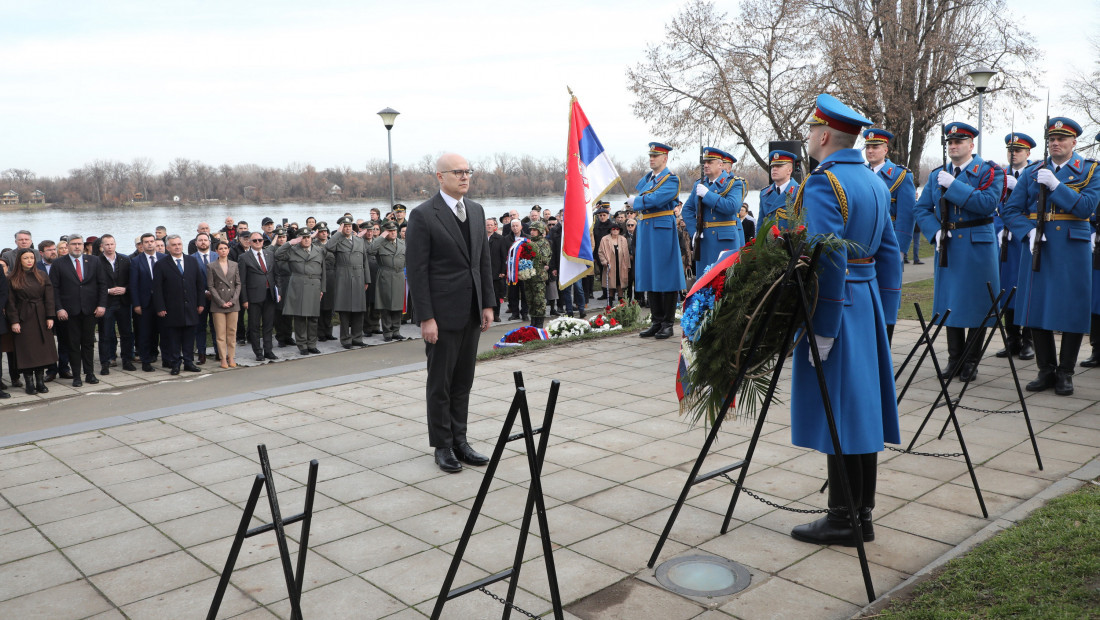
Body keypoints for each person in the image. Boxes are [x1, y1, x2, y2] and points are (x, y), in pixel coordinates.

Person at [788, 93, 903, 546]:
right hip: (868, 302)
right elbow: (890, 253)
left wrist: (823, 328)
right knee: (860, 412)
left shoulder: (823, 182)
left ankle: (842, 518)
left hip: (838, 307)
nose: (809, 138)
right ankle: (862, 514)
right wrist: (886, 316)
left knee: (839, 410)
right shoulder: (875, 182)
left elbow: (828, 260)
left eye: (811, 132)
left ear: (823, 135)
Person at [406, 152, 494, 474]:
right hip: (441, 316)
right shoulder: (423, 215)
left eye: (468, 171)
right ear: (440, 177)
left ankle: (461, 441)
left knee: (463, 382)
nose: (465, 177)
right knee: (440, 383)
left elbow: (482, 262)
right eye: (458, 172)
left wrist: (487, 303)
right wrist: (425, 317)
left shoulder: (475, 210)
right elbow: (416, 271)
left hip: (471, 312)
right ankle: (442, 446)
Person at [1002, 117, 1099, 396]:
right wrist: (1028, 232)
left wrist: (1057, 186)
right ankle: (1045, 370)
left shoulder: (1090, 171)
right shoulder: (1035, 171)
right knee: (1036, 305)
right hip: (1038, 245)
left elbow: (1085, 208)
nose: (1055, 143)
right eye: (1052, 139)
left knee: (1072, 308)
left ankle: (1065, 372)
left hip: (1072, 247)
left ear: (1074, 142)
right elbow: (1011, 210)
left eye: (1062, 139)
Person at [913, 122, 1004, 382]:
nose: (953, 146)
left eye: (959, 142)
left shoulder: (988, 172)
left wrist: (954, 186)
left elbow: (987, 204)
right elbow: (921, 209)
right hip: (949, 244)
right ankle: (954, 359)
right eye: (950, 142)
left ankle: (971, 361)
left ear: (971, 145)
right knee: (950, 303)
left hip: (977, 244)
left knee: (977, 303)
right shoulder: (936, 174)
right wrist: (935, 232)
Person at [863, 127, 917, 341]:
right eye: (867, 147)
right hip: (864, 246)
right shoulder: (861, 173)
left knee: (887, 296)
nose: (870, 151)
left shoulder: (901, 176)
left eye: (875, 147)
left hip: (889, 245)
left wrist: (901, 250)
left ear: (886, 149)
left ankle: (884, 345)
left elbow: (906, 216)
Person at [628, 142, 685, 339]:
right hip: (646, 229)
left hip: (662, 229)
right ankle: (656, 321)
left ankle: (668, 323)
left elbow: (656, 199)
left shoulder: (671, 180)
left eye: (656, 156)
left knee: (667, 276)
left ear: (665, 158)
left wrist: (637, 201)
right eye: (650, 155)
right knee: (649, 274)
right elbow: (647, 195)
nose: (652, 158)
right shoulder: (648, 179)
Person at [994, 132, 1037, 361]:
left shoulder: (1036, 174)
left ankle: (1028, 340)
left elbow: (1036, 206)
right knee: (1007, 290)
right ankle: (1012, 340)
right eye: (1010, 150)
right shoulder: (999, 176)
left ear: (1027, 153)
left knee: (1026, 288)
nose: (1013, 154)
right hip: (1007, 241)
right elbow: (994, 206)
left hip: (1027, 239)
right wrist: (1000, 228)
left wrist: (1019, 185)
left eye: (1018, 151)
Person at [50, 234, 107, 387]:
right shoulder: (58, 264)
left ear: (83, 246)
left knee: (88, 343)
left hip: (90, 310)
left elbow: (102, 284)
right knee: (73, 345)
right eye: (74, 244)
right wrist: (59, 308)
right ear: (67, 246)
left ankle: (90, 373)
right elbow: (54, 289)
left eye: (79, 244)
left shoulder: (94, 261)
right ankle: (76, 376)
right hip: (69, 311)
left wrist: (102, 305)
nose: (77, 247)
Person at [682, 147, 746, 276]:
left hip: (725, 240)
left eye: (710, 162)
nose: (705, 165)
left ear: (720, 165)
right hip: (704, 240)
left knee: (725, 282)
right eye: (704, 162)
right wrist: (694, 232)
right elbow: (687, 210)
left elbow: (732, 207)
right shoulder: (699, 184)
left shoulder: (734, 184)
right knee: (703, 282)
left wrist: (707, 195)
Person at [152, 235, 205, 375]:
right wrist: (160, 307)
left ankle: (188, 362)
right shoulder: (161, 264)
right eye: (174, 245)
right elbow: (157, 289)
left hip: (191, 307)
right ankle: (175, 364)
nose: (177, 247)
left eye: (179, 244)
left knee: (189, 337)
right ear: (168, 247)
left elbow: (200, 285)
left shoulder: (192, 261)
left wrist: (200, 303)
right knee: (173, 339)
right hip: (172, 308)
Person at [7, 249, 57, 395]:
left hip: (41, 315)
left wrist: (50, 316)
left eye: (31, 258)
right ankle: (29, 383)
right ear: (19, 261)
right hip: (24, 316)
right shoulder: (12, 278)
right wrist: (14, 321)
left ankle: (40, 382)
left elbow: (49, 298)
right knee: (27, 351)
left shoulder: (41, 275)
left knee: (42, 350)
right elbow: (10, 303)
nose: (29, 260)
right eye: (25, 258)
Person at [276, 229, 326, 355]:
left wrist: (322, 289)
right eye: (303, 237)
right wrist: (290, 243)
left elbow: (323, 270)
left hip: (315, 285)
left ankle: (312, 344)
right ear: (299, 239)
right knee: (300, 317)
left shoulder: (319, 250)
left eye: (308, 237)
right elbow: (277, 255)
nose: (306, 239)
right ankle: (302, 345)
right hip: (299, 286)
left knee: (313, 318)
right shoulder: (293, 250)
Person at [326, 216, 371, 348]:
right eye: (345, 226)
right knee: (344, 311)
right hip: (343, 277)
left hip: (358, 277)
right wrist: (338, 233)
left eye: (349, 226)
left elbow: (365, 261)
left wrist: (367, 279)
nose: (347, 228)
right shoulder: (338, 240)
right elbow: (328, 246)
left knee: (359, 309)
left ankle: (357, 338)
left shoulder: (359, 240)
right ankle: (345, 339)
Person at [97, 234, 135, 373]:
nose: (110, 247)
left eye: (112, 244)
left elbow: (132, 280)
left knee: (126, 333)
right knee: (105, 334)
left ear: (115, 244)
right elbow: (94, 283)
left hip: (123, 302)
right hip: (107, 302)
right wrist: (108, 290)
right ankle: (105, 363)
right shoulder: (96, 261)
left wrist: (125, 289)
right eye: (107, 244)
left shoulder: (125, 259)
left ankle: (127, 360)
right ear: (102, 246)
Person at [239, 232, 279, 361]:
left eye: (260, 240)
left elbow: (276, 275)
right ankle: (258, 352)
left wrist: (279, 293)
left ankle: (269, 350)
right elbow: (242, 281)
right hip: (253, 297)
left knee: (268, 325)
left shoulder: (270, 255)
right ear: (249, 242)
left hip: (270, 295)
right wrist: (244, 299)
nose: (257, 242)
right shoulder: (244, 257)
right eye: (254, 240)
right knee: (254, 326)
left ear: (263, 241)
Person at [130, 233, 165, 372]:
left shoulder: (163, 258)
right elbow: (133, 285)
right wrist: (136, 304)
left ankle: (164, 357)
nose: (150, 244)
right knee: (145, 333)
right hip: (144, 303)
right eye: (146, 242)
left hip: (161, 302)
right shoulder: (136, 261)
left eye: (152, 241)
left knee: (162, 331)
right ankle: (146, 361)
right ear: (142, 245)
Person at [368, 220, 407, 341]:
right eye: (390, 231)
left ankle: (396, 330)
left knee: (398, 304)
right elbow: (370, 251)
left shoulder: (402, 243)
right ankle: (387, 332)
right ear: (385, 232)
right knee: (386, 305)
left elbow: (407, 259)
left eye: (394, 230)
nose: (393, 233)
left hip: (399, 275)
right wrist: (381, 237)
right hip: (386, 275)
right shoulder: (380, 243)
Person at [207, 239, 241, 368]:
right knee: (220, 333)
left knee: (232, 332)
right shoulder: (211, 266)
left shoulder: (234, 264)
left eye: (225, 248)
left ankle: (231, 357)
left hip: (233, 304)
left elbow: (238, 284)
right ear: (216, 251)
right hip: (218, 304)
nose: (223, 251)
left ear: (228, 250)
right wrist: (221, 302)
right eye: (220, 249)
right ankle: (223, 358)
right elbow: (211, 286)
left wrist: (233, 300)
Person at [758, 150, 801, 229]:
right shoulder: (764, 194)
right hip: (770, 240)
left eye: (779, 166)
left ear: (789, 170)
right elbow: (760, 225)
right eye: (773, 166)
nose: (774, 169)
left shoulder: (800, 192)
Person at [190, 232, 215, 363]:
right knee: (200, 327)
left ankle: (219, 353)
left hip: (217, 298)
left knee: (217, 326)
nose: (203, 242)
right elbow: (190, 280)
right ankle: (201, 354)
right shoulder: (191, 259)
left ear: (209, 242)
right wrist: (204, 292)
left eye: (206, 240)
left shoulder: (217, 256)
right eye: (200, 240)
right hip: (200, 298)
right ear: (196, 243)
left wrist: (214, 292)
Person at [523, 221, 551, 327]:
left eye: (534, 230)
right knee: (530, 300)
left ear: (540, 231)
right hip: (529, 276)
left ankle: (539, 324)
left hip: (538, 276)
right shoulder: (529, 242)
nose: (532, 232)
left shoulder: (543, 243)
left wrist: (534, 251)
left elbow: (544, 258)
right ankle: (533, 322)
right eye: (531, 230)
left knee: (539, 301)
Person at [598, 220, 631, 304]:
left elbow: (626, 253)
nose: (615, 230)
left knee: (620, 284)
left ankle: (621, 303)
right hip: (610, 265)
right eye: (613, 228)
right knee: (611, 285)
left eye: (617, 229)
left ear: (619, 230)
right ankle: (610, 303)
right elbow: (601, 252)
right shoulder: (604, 239)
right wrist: (604, 261)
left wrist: (628, 266)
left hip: (621, 265)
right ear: (610, 230)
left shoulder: (623, 239)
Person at [314, 223, 336, 341]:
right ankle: (320, 332)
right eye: (321, 231)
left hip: (332, 276)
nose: (323, 233)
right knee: (321, 306)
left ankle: (329, 331)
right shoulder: (314, 245)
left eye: (325, 231)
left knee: (329, 306)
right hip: (320, 275)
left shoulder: (332, 244)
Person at [503, 218, 527, 320]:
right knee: (512, 293)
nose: (515, 228)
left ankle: (525, 313)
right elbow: (504, 254)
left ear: (521, 227)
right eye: (513, 226)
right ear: (510, 227)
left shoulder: (527, 238)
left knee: (525, 293)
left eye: (517, 226)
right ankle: (515, 313)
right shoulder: (506, 239)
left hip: (524, 270)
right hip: (511, 271)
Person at [486, 217, 507, 322]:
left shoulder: (500, 239)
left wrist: (503, 271)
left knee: (496, 294)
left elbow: (504, 256)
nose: (489, 226)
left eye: (491, 225)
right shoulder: (481, 238)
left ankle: (496, 314)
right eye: (487, 225)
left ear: (495, 226)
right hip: (484, 272)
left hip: (496, 271)